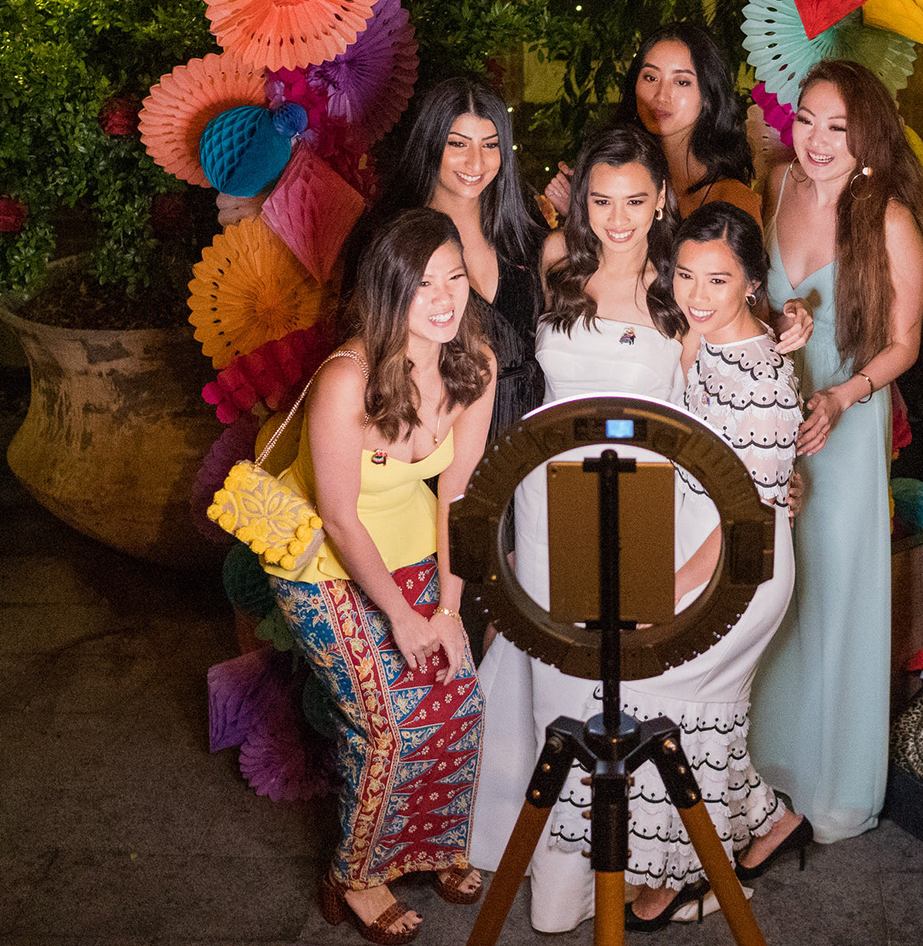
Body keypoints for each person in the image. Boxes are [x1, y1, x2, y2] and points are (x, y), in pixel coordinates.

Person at [468, 125, 693, 933]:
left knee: (625, 689)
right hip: (546, 491)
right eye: (602, 199)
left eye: (636, 199)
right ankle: (553, 879)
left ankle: (627, 871)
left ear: (663, 199)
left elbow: (712, 405)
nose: (618, 217)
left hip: (640, 502)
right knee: (551, 680)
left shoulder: (684, 286)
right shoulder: (560, 261)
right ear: (582, 200)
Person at [254, 209, 498, 944]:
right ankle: (356, 874)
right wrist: (402, 614)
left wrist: (449, 609)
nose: (447, 295)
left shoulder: (474, 365)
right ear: (391, 292)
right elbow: (338, 517)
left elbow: (459, 496)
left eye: (455, 275)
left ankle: (434, 844)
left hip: (417, 547)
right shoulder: (346, 380)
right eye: (425, 283)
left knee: (460, 699)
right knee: (388, 721)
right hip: (326, 564)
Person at [750, 59, 923, 844]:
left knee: (833, 592)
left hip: (845, 419)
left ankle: (830, 779)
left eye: (838, 126)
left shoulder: (889, 215)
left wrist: (842, 395)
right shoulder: (775, 185)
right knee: (769, 593)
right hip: (766, 418)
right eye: (807, 120)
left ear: (868, 135)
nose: (817, 141)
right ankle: (761, 766)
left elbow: (905, 343)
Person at [612, 201, 812, 931]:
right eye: (687, 274)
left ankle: (684, 876)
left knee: (673, 703)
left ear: (751, 283)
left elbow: (747, 521)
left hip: (741, 566)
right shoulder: (703, 340)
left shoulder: (761, 381)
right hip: (701, 545)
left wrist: (664, 589)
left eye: (718, 279)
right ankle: (766, 825)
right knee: (700, 711)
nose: (696, 293)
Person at [342, 78, 548, 436]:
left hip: (530, 434)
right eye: (457, 143)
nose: (476, 162)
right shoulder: (391, 236)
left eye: (490, 145)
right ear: (429, 143)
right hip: (434, 436)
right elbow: (365, 353)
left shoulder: (522, 223)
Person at [544, 22, 761, 223]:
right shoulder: (618, 178)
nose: (661, 96)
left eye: (682, 82)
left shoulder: (732, 199)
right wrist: (583, 208)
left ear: (708, 97)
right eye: (650, 77)